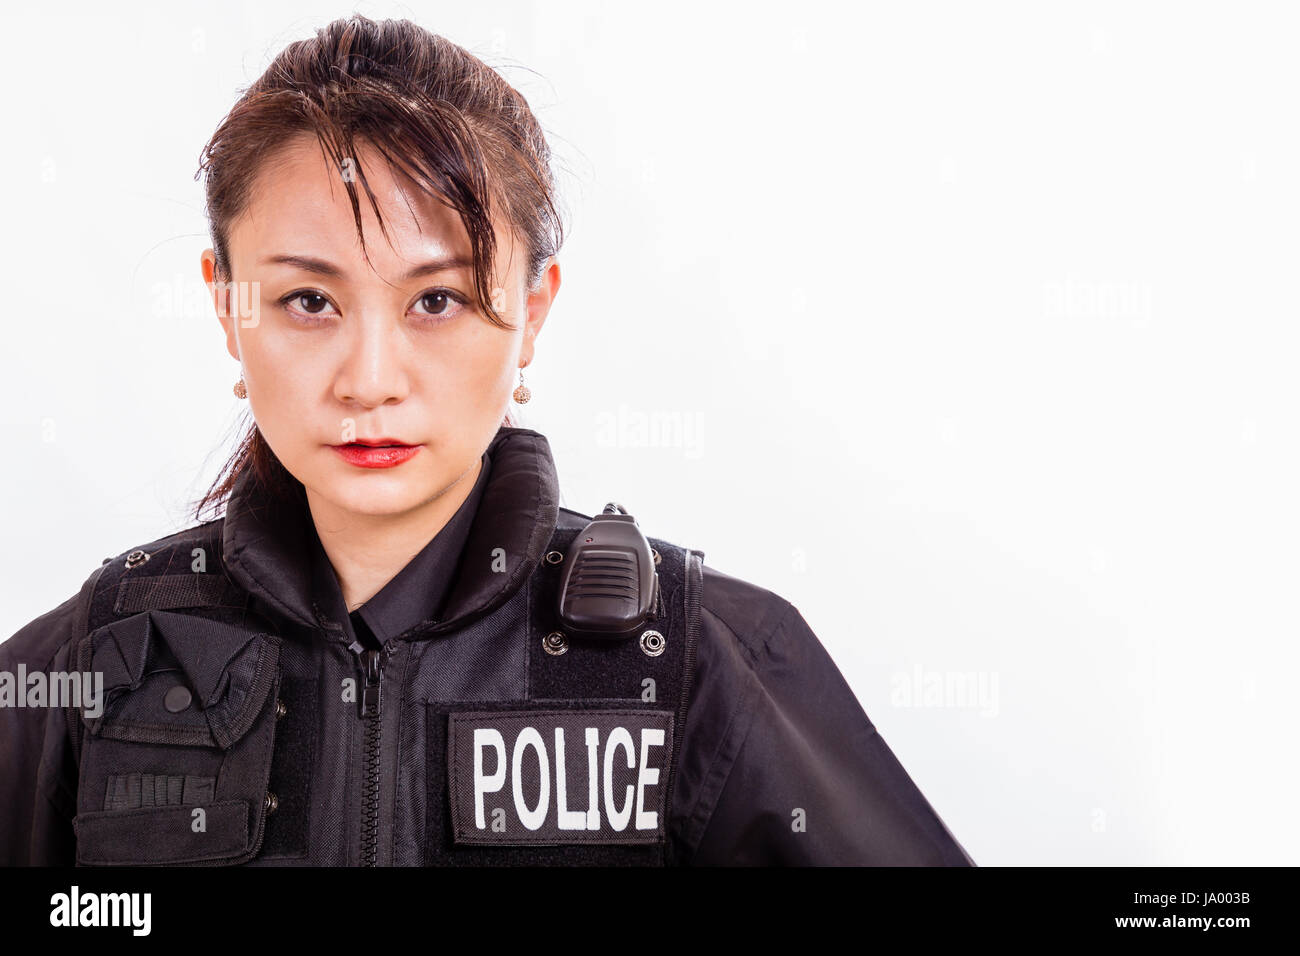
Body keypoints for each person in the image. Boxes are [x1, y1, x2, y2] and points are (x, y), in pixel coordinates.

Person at [0, 15, 973, 867]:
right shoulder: (99, 658)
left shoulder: (689, 659)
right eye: (308, 299)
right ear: (227, 305)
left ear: (531, 313)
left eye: (437, 299)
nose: (370, 376)